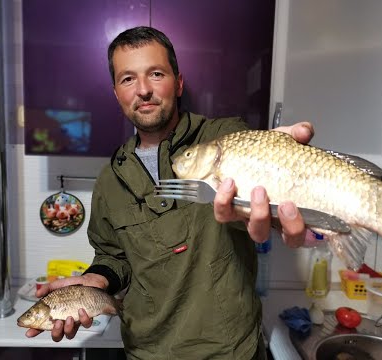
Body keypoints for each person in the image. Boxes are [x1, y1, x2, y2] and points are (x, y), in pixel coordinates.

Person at [26, 26, 314, 359]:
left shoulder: (225, 140)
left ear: (178, 83)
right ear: (116, 92)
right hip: (148, 352)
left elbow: (264, 189)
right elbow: (112, 256)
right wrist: (96, 280)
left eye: (156, 74)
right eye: (128, 79)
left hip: (232, 351)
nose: (143, 90)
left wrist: (289, 170)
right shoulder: (110, 179)